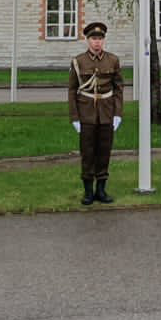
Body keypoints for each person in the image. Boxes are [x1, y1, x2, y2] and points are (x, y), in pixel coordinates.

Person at [68, 21, 124, 205]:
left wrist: (118, 113)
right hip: (86, 113)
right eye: (93, 38)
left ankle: (101, 189)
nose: (97, 42)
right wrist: (75, 117)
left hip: (106, 112)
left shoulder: (113, 60)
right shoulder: (78, 62)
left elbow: (118, 88)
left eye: (100, 39)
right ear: (87, 40)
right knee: (88, 152)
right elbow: (72, 91)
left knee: (104, 151)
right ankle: (88, 191)